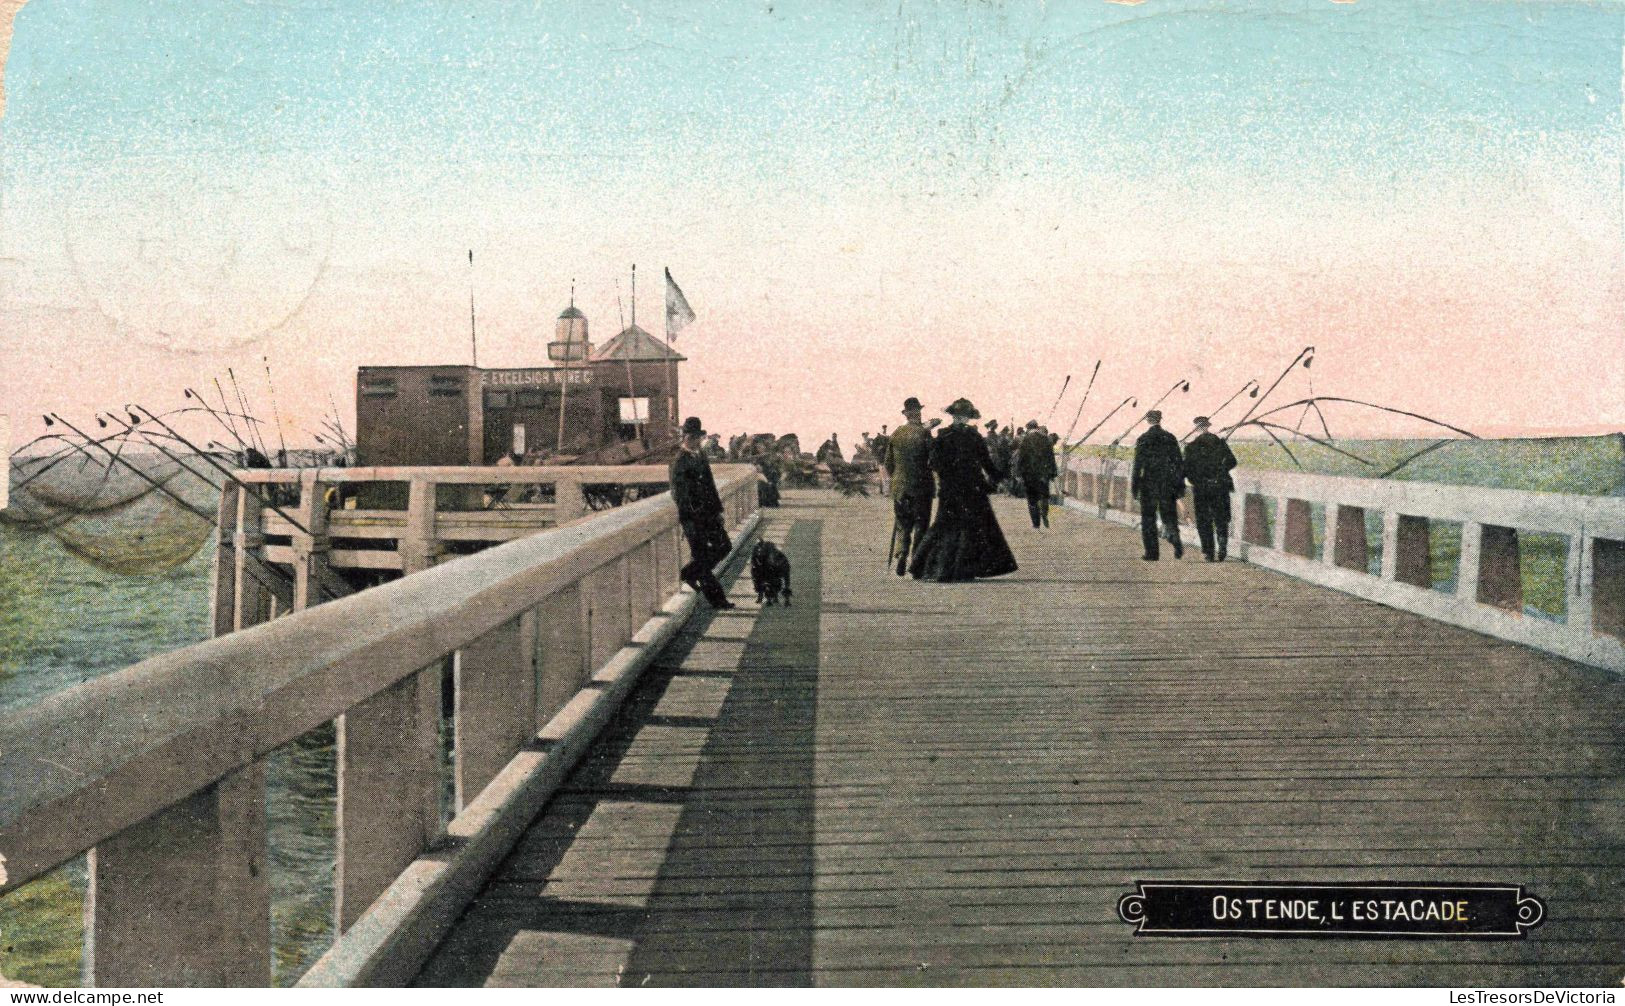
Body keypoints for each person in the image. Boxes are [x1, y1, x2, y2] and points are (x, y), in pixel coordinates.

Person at [909, 398, 1018, 582]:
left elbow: (935, 463)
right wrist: (1001, 476)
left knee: (946, 525)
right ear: (960, 417)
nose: (962, 419)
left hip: (952, 488)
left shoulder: (943, 435)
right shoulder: (973, 436)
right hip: (971, 488)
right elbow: (986, 463)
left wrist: (946, 475)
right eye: (961, 416)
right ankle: (959, 570)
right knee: (969, 527)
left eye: (963, 416)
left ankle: (929, 568)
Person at [669, 417, 736, 609]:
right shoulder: (679, 461)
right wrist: (694, 517)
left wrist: (718, 511)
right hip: (693, 519)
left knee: (724, 546)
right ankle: (718, 600)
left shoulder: (700, 456)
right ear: (688, 437)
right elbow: (679, 495)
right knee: (701, 556)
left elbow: (710, 485)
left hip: (710, 515)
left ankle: (690, 573)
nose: (700, 441)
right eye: (698, 437)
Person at [885, 398, 935, 576]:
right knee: (921, 524)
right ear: (919, 413)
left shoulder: (896, 433)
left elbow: (888, 463)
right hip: (921, 487)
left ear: (906, 414)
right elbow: (934, 460)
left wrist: (897, 479)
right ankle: (916, 564)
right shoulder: (924, 433)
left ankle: (901, 554)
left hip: (900, 487)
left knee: (902, 523)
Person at [1131, 410, 1185, 560]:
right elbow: (1179, 464)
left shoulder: (1143, 439)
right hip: (1167, 485)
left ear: (1148, 420)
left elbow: (1137, 466)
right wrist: (1179, 487)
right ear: (1160, 419)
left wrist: (1134, 488)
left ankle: (1152, 553)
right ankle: (1175, 539)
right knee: (1169, 517)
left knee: (1148, 520)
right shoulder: (1170, 438)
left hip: (1148, 485)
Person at [1183, 415, 1238, 562]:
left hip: (1202, 488)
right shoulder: (1220, 443)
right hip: (1220, 485)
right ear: (1208, 426)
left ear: (1196, 429)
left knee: (1203, 520)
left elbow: (1186, 470)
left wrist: (1196, 479)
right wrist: (1220, 471)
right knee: (1221, 517)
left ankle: (1208, 552)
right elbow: (1232, 461)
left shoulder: (1190, 447)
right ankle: (1222, 545)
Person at [1014, 420, 1058, 529]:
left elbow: (1021, 457)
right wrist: (1052, 473)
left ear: (1028, 428)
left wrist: (1018, 473)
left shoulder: (1025, 439)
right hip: (1043, 474)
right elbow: (1051, 457)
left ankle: (1036, 523)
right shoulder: (1046, 439)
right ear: (1037, 427)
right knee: (1044, 495)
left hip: (1030, 474)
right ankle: (1044, 513)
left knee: (1032, 499)